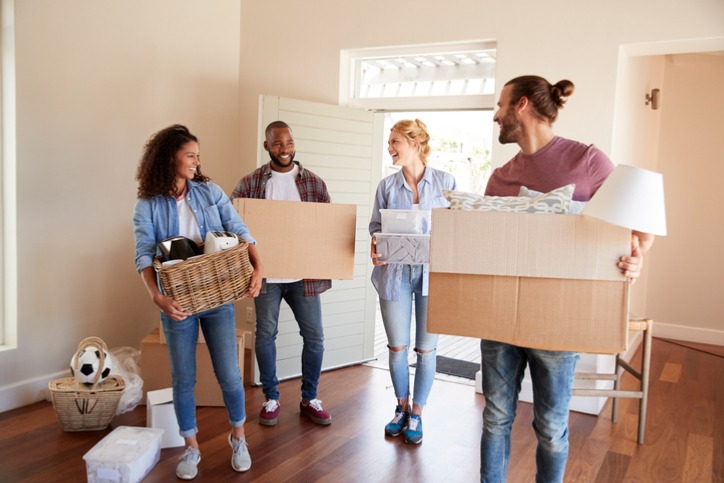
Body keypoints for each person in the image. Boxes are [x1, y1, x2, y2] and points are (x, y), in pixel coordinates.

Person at [480, 76, 654, 482]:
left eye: (501, 105)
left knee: (552, 427)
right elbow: (482, 245)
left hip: (560, 321)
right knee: (495, 417)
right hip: (500, 317)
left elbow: (636, 229)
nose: (495, 114)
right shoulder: (500, 177)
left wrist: (636, 257)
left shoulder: (588, 161)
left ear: (521, 106)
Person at [133, 124, 263, 480]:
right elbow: (144, 256)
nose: (196, 161)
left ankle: (239, 437)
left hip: (217, 294)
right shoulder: (147, 205)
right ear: (169, 157)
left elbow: (240, 231)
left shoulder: (210, 192)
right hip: (176, 301)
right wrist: (158, 297)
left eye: (197, 156)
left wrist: (258, 268)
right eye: (190, 155)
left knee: (230, 373)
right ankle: (191, 448)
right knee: (183, 377)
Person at [230, 120, 333, 427]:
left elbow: (327, 225)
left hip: (304, 276)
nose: (285, 149)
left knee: (315, 337)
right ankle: (271, 397)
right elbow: (233, 223)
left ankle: (309, 398)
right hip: (267, 277)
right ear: (267, 146)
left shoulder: (313, 183)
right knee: (265, 335)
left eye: (288, 142)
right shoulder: (250, 184)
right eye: (277, 144)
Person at [369, 119, 457, 445]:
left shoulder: (446, 182)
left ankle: (417, 414)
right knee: (397, 347)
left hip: (433, 274)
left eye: (395, 142)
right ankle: (401, 408)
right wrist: (375, 247)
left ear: (415, 144)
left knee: (426, 349)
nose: (390, 148)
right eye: (389, 142)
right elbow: (375, 228)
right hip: (395, 273)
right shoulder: (387, 187)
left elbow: (457, 228)